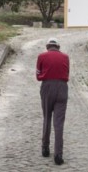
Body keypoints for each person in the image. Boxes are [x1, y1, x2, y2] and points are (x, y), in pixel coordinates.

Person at [36, 37, 70, 165]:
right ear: (58, 47)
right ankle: (58, 154)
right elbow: (67, 73)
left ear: (47, 46)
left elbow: (38, 76)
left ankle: (45, 147)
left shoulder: (41, 56)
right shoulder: (65, 57)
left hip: (47, 87)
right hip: (62, 88)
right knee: (59, 123)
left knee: (47, 118)